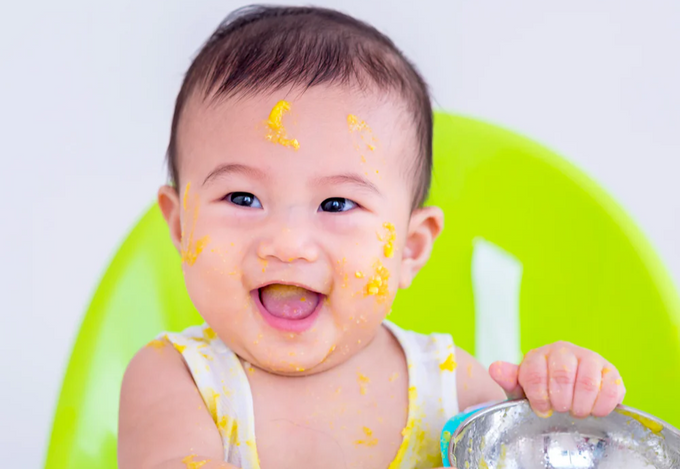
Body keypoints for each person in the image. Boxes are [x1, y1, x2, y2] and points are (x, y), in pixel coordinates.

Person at [118, 5, 625, 468]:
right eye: (243, 198)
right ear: (181, 225)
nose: (289, 243)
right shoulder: (178, 381)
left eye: (336, 204)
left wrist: (557, 406)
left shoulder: (451, 389)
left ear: (411, 247)